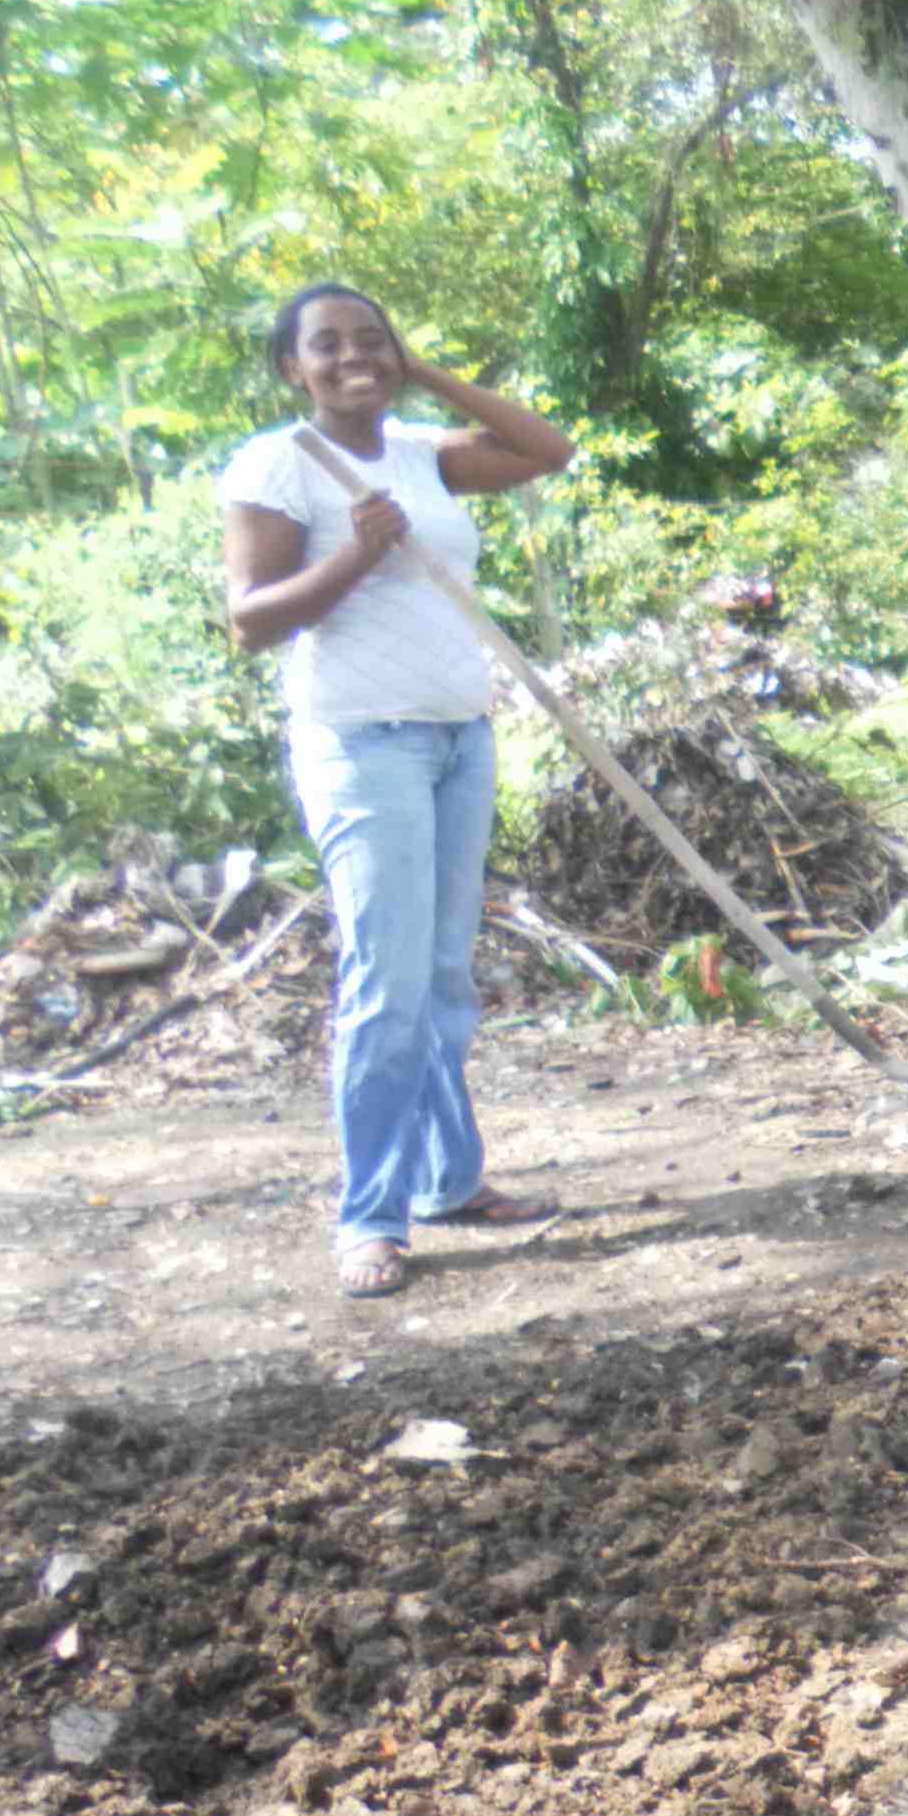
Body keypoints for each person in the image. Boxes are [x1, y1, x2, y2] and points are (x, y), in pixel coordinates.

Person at [219, 285, 577, 1299]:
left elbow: (547, 448)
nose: (352, 358)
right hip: (361, 746)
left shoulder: (420, 451)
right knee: (387, 986)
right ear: (293, 367)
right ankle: (368, 1220)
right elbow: (251, 621)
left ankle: (447, 1183)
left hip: (459, 740)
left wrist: (420, 371)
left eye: (370, 339)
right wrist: (355, 552)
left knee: (444, 976)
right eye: (326, 346)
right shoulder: (275, 462)